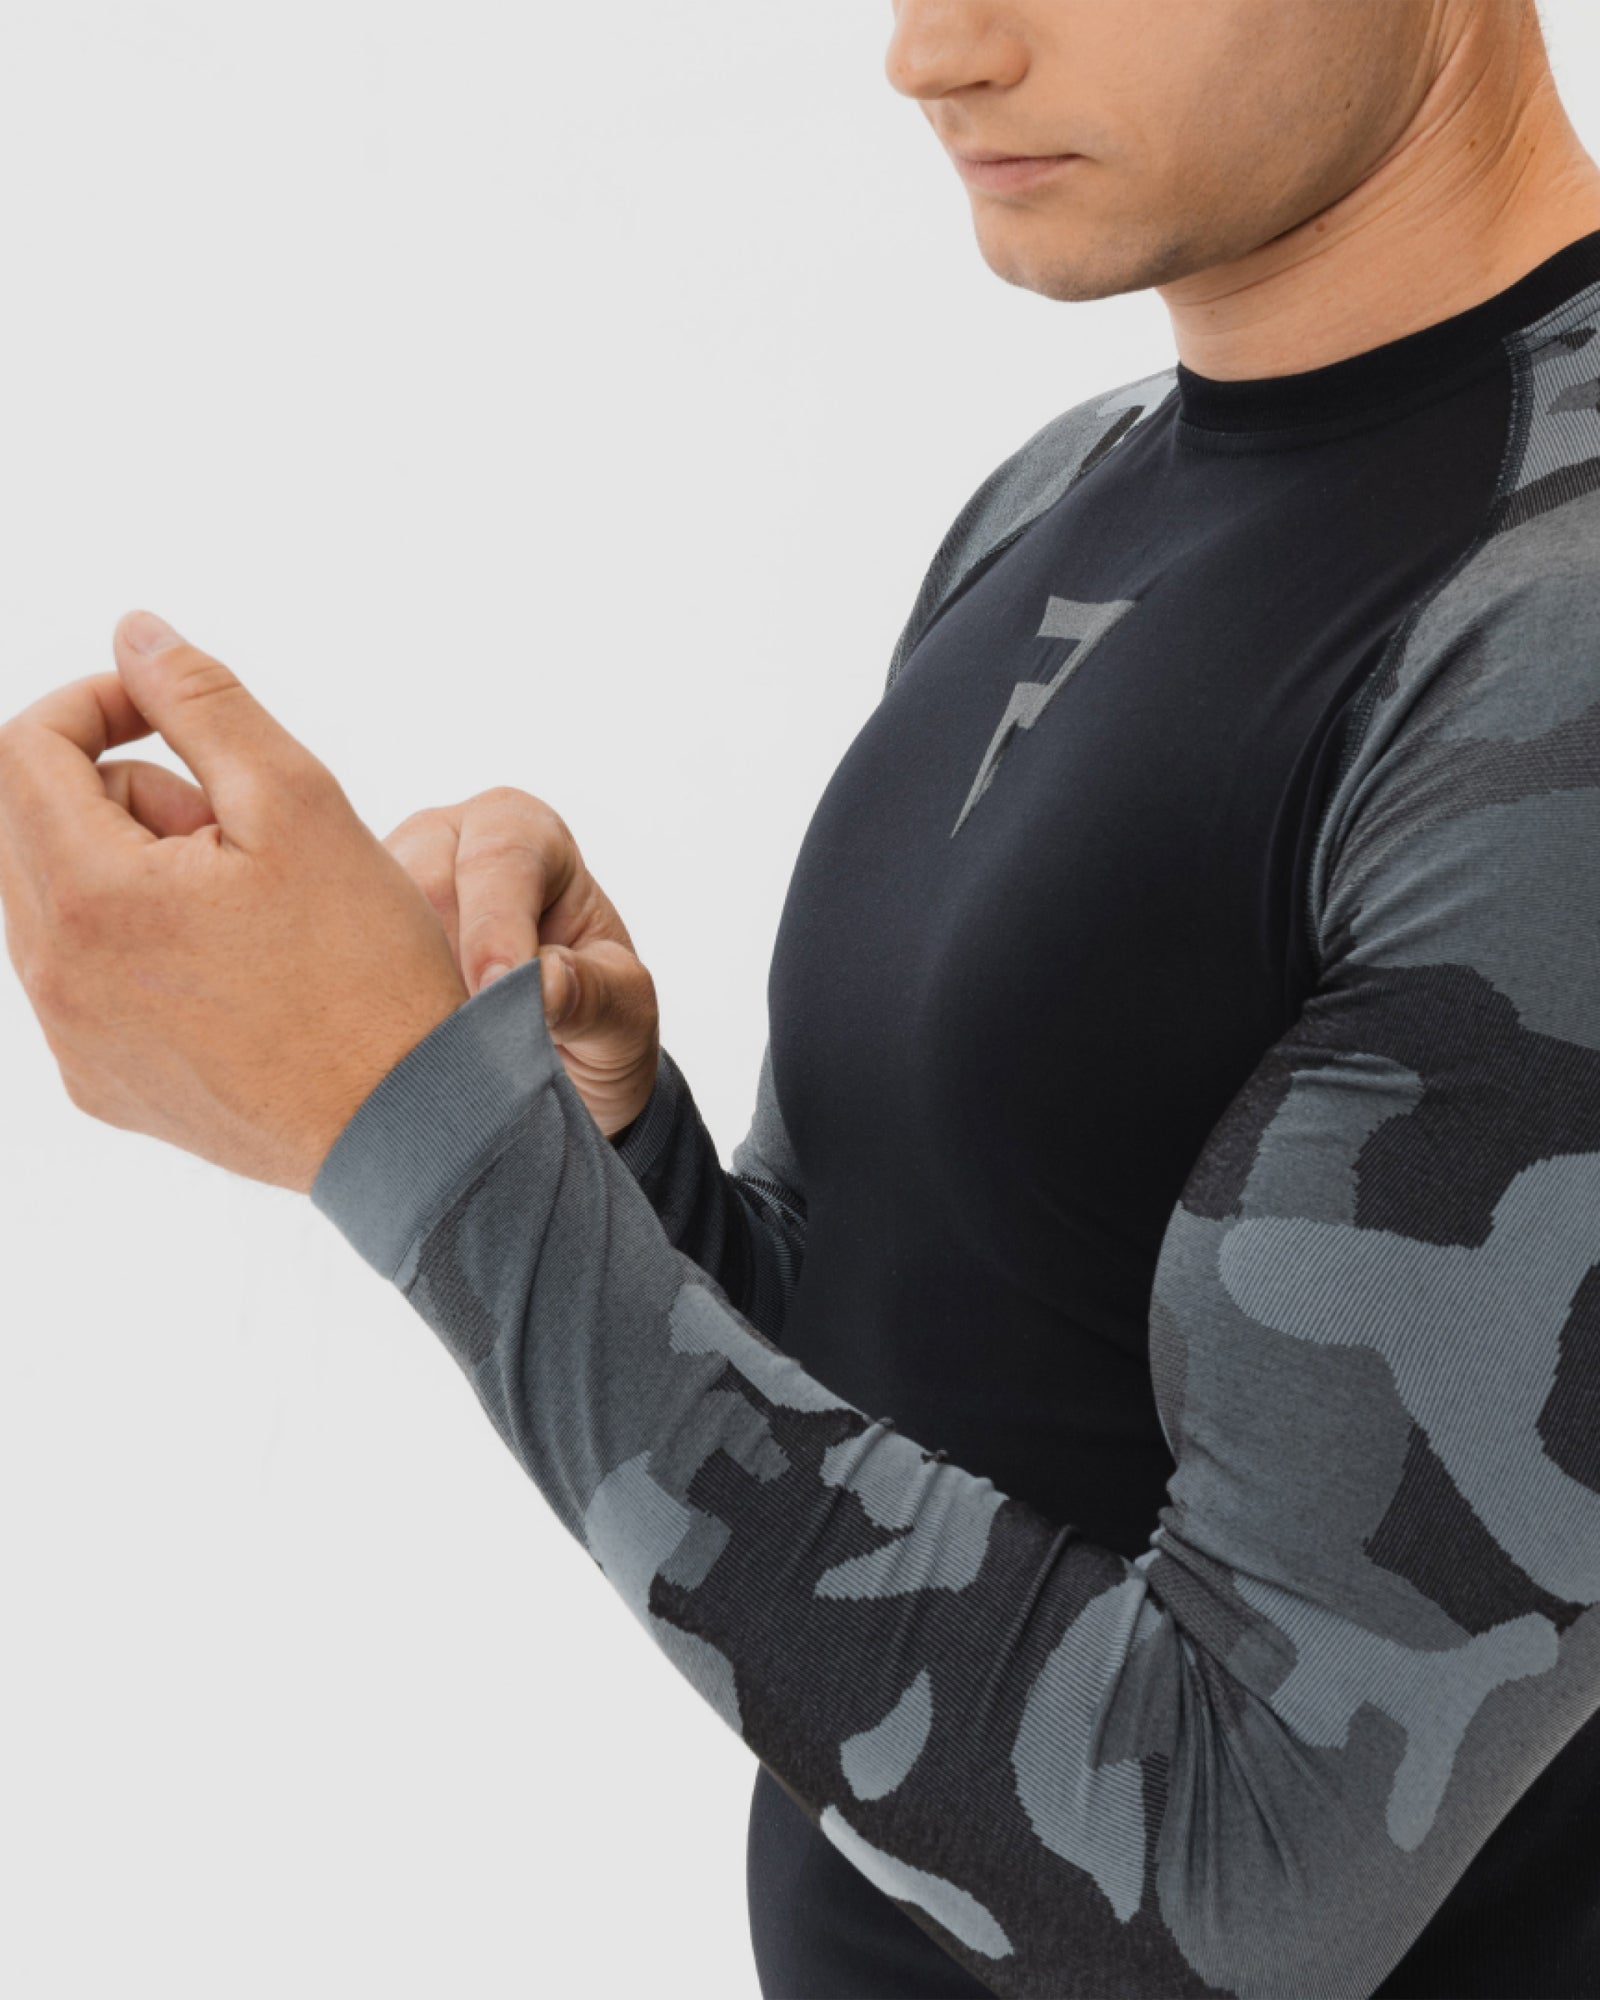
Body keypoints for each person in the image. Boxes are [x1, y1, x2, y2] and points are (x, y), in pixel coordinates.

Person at [3, 0, 1600, 1993]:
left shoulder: (1560, 642)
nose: (933, 51)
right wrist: (600, 1146)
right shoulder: (1066, 490)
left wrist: (402, 1123)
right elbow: (931, 1418)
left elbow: (1244, 1867)